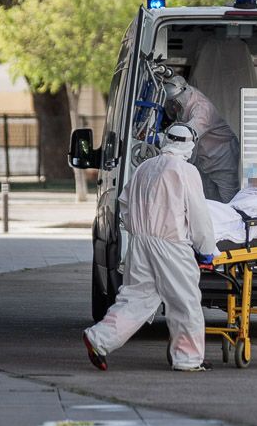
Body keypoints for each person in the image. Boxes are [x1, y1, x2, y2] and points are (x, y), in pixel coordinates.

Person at [82, 123, 220, 372]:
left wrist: (139, 229)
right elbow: (199, 215)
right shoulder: (185, 171)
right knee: (185, 302)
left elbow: (124, 202)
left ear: (166, 140)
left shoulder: (145, 167)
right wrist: (206, 248)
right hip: (170, 244)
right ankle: (187, 358)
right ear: (190, 144)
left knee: (136, 298)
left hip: (140, 243)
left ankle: (98, 339)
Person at [163, 75, 241, 202]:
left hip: (223, 158)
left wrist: (166, 144)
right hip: (205, 159)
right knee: (209, 200)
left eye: (174, 102)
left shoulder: (201, 108)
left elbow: (187, 134)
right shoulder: (187, 97)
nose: (173, 106)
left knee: (229, 200)